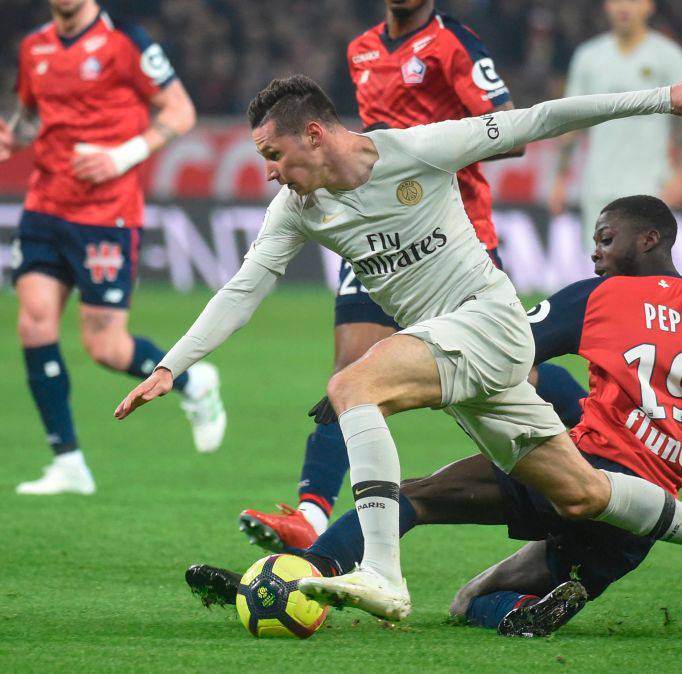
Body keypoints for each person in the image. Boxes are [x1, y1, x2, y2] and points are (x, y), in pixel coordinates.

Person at [187, 196, 682, 637]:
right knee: (541, 423)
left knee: (427, 504)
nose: (595, 252)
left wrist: (379, 377)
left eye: (607, 238)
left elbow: (492, 343)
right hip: (639, 526)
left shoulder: (600, 298)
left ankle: (294, 576)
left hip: (577, 471)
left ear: (649, 238)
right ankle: (551, 596)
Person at [116, 73, 682, 623]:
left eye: (274, 155)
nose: (270, 171)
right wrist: (173, 364)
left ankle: (381, 574)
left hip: (489, 322)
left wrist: (660, 99)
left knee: (354, 385)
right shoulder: (297, 210)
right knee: (583, 493)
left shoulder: (414, 151)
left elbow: (537, 119)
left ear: (313, 135)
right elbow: (241, 290)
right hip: (455, 360)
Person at [238, 0, 587, 549]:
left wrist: (416, 152)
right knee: (349, 372)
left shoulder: (456, 46)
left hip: (447, 234)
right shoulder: (361, 49)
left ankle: (586, 420)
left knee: (510, 379)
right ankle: (310, 515)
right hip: (374, 233)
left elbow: (512, 131)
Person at [0, 0, 225, 496]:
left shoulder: (128, 43)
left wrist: (122, 156)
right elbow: (33, 114)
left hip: (107, 215)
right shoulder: (33, 47)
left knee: (105, 347)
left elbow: (180, 110)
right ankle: (68, 462)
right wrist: (13, 138)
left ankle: (193, 382)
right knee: (33, 320)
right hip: (45, 206)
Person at [548, 0, 682, 236]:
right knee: (603, 268)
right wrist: (559, 178)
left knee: (647, 269)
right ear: (606, 6)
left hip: (652, 187)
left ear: (649, 6)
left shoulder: (669, 57)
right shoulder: (589, 57)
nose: (624, 7)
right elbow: (571, 121)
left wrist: (681, 174)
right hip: (599, 187)